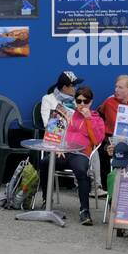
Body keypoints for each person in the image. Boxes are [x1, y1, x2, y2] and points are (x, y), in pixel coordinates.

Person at [37, 79, 104, 225]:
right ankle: (46, 200)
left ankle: (84, 210)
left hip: (81, 153)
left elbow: (97, 140)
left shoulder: (96, 118)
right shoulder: (67, 113)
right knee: (45, 163)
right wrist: (58, 147)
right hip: (63, 151)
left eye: (85, 102)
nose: (81, 104)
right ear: (75, 101)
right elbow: (54, 132)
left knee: (81, 170)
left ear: (91, 102)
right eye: (78, 101)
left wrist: (88, 119)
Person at [98, 74, 128, 197]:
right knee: (104, 150)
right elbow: (98, 116)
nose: (116, 90)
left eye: (120, 88)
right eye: (116, 87)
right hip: (110, 138)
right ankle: (108, 188)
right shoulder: (109, 102)